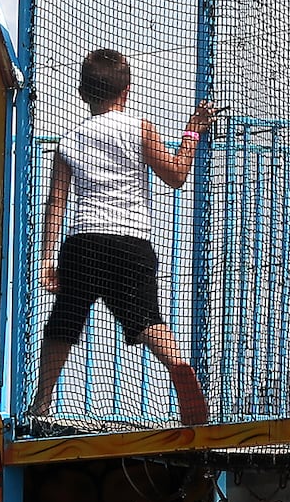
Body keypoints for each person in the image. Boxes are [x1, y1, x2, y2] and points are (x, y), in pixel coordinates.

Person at [30, 48, 214, 428]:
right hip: (132, 242)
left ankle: (42, 403)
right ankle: (177, 364)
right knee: (147, 320)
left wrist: (48, 259)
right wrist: (193, 130)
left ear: (83, 93)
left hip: (84, 242)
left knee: (64, 321)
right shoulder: (140, 128)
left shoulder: (69, 140)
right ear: (126, 91)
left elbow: (56, 204)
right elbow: (176, 174)